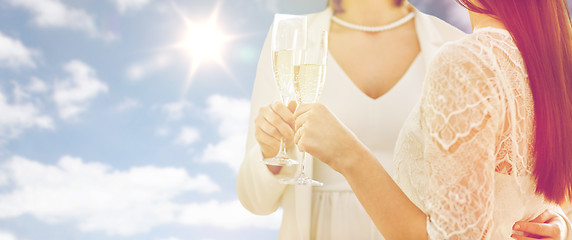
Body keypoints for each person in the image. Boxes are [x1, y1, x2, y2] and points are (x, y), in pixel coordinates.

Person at [237, 0, 571, 239]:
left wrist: (556, 222)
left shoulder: (458, 45)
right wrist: (272, 156)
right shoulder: (292, 39)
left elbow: (517, 175)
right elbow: (253, 198)